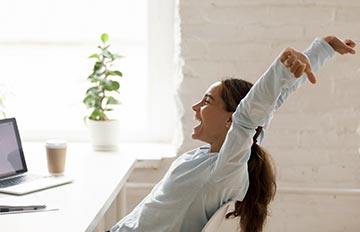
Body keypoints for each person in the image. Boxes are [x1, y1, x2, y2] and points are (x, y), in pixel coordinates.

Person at [109, 36, 356, 232]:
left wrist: (281, 67)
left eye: (206, 101)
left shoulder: (225, 171)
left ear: (230, 119)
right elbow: (272, 103)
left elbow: (249, 117)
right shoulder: (225, 158)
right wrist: (323, 48)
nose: (196, 107)